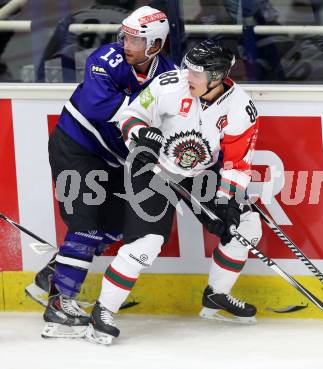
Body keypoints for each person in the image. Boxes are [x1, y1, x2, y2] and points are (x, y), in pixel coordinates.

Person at [84, 39, 262, 345]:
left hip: (197, 174)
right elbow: (129, 116)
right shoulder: (168, 86)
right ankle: (103, 310)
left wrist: (228, 198)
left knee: (245, 226)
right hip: (151, 170)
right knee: (147, 242)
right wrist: (140, 134)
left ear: (217, 76)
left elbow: (237, 161)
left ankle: (217, 296)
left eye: (195, 72)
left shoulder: (240, 108)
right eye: (187, 68)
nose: (186, 75)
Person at [27, 5, 176, 339]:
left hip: (110, 160)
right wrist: (143, 127)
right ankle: (60, 303)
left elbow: (173, 116)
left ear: (154, 45)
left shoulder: (169, 73)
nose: (125, 43)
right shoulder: (105, 59)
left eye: (135, 39)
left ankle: (54, 272)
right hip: (76, 148)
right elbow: (98, 108)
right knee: (87, 224)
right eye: (125, 35)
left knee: (114, 225)